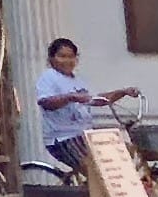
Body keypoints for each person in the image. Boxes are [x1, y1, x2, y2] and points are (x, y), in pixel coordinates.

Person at [35, 38, 132, 166]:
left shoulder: (77, 80)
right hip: (63, 138)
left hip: (85, 135)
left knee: (122, 153)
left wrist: (123, 92)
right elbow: (46, 102)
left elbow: (97, 100)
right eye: (62, 56)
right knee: (97, 171)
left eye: (71, 57)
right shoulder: (49, 77)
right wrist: (70, 97)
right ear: (51, 58)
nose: (67, 61)